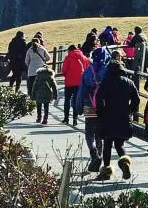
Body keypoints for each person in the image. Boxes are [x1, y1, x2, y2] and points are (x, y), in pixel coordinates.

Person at [94, 50, 140, 181]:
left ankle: (106, 171)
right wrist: (130, 110)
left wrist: (101, 112)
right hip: (123, 116)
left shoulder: (106, 82)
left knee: (107, 143)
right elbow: (136, 99)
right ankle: (125, 162)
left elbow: (98, 98)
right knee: (120, 143)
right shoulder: (128, 82)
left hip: (108, 115)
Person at [76, 47, 110, 171]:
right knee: (100, 134)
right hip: (104, 107)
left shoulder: (88, 71)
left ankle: (93, 152)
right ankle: (100, 157)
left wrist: (78, 107)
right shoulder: (108, 70)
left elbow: (81, 91)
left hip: (89, 105)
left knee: (89, 132)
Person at [60, 43, 89, 125]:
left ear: (70, 50)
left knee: (67, 99)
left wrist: (66, 75)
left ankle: (66, 118)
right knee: (76, 100)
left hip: (69, 82)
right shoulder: (83, 57)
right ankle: (75, 119)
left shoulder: (68, 57)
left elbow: (64, 70)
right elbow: (87, 69)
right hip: (79, 82)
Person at [24, 33, 51, 97]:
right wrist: (43, 60)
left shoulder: (29, 50)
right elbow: (48, 57)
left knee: (31, 87)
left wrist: (30, 65)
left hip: (31, 71)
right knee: (41, 86)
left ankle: (31, 100)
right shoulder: (42, 49)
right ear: (39, 42)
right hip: (41, 71)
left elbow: (26, 61)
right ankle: (41, 98)